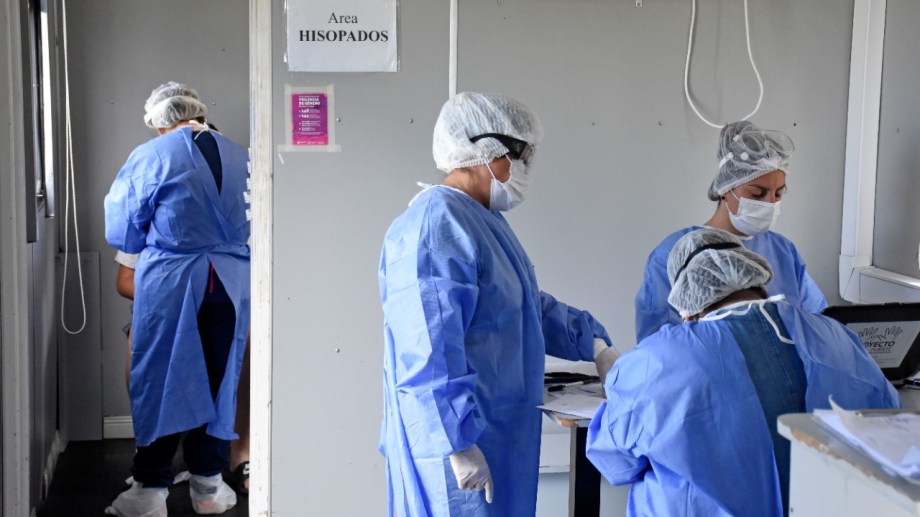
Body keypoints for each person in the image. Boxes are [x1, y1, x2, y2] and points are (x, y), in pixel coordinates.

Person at [378, 92, 619, 516]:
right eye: (521, 157)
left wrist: (593, 342)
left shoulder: (483, 221)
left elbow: (522, 306)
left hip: (494, 432)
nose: (525, 169)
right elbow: (428, 349)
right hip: (456, 446)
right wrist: (457, 443)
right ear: (486, 151)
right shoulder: (435, 226)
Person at [587, 228, 900, 517]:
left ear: (687, 305)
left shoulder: (656, 360)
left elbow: (615, 462)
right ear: (756, 279)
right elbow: (887, 424)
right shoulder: (837, 336)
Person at [104, 81, 250, 517]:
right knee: (221, 382)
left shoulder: (152, 155)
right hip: (230, 285)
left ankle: (149, 491)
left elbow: (123, 229)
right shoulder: (242, 154)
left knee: (160, 379)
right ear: (199, 113)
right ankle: (208, 486)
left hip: (172, 283)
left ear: (160, 123)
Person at [634, 121, 828, 342]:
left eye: (778, 194)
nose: (770, 203)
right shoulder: (674, 253)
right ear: (726, 188)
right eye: (757, 194)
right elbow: (656, 344)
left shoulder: (783, 251)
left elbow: (819, 321)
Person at [113, 250, 250, 497]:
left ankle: (237, 455)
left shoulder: (240, 234)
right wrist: (171, 297)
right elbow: (124, 280)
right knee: (143, 343)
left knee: (244, 338)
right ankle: (151, 461)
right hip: (165, 309)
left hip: (222, 310)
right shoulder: (151, 230)